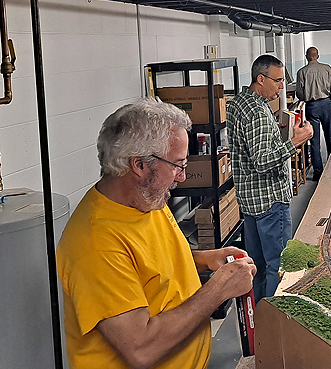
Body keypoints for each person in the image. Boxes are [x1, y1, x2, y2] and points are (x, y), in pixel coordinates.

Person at [56, 100, 256, 369]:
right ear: (139, 165)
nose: (182, 177)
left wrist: (203, 259)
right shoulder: (96, 243)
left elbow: (147, 261)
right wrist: (218, 289)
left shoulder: (145, 198)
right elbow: (141, 349)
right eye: (177, 165)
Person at [228, 54, 313, 301]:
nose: (281, 87)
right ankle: (276, 325)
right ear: (260, 78)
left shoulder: (239, 102)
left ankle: (259, 316)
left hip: (250, 201)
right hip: (269, 200)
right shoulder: (257, 111)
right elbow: (263, 161)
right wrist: (296, 140)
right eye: (277, 81)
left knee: (257, 266)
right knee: (279, 266)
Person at [295, 47, 331, 182]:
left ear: (306, 56)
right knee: (330, 137)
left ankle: (318, 173)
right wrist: (330, 95)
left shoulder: (302, 72)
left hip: (311, 107)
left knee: (314, 140)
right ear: (318, 56)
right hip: (326, 104)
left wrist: (309, 96)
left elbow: (299, 94)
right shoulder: (327, 69)